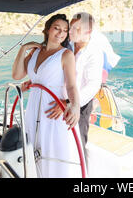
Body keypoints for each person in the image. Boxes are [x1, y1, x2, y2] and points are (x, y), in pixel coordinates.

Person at [11, 14, 81, 178]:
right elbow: (16, 74)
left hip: (53, 110)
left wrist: (75, 105)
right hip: (33, 108)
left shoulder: (66, 55)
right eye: (57, 28)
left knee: (52, 152)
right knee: (33, 149)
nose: (61, 33)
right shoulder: (35, 52)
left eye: (65, 30)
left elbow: (71, 85)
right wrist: (23, 49)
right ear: (48, 29)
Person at [45, 12, 103, 163]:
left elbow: (92, 86)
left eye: (76, 29)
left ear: (88, 32)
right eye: (71, 27)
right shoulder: (66, 45)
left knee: (77, 145)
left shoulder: (94, 53)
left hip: (79, 106)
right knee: (57, 143)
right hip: (57, 101)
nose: (70, 32)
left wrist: (69, 103)